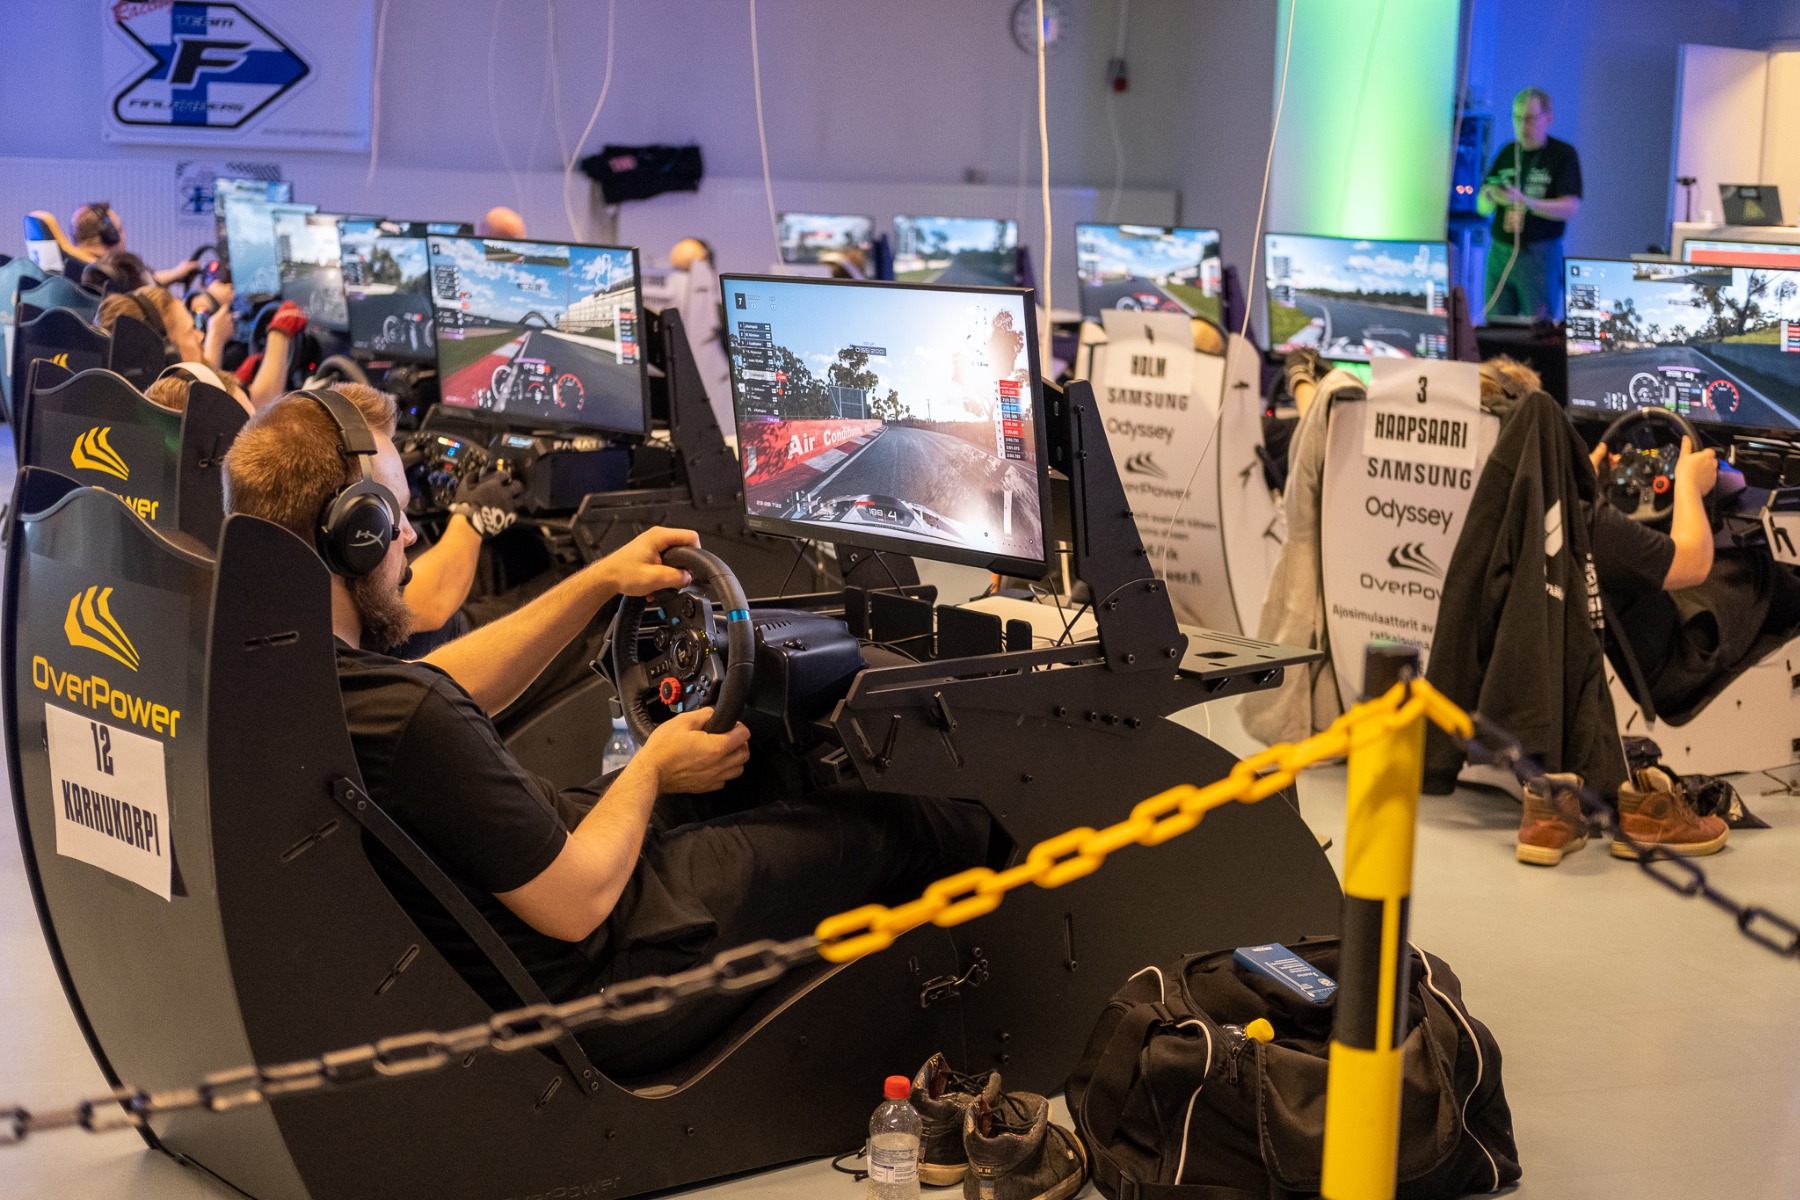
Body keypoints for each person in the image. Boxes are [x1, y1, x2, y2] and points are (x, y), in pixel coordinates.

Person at [221, 386, 992, 1074]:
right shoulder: (410, 718)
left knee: (766, 771)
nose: (410, 539)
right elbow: (578, 902)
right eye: (392, 518)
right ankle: (1006, 1005)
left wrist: (595, 583)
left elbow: (446, 681)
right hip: (602, 977)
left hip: (532, 930)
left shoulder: (285, 676)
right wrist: (652, 769)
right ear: (351, 534)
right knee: (893, 826)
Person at [1477, 88, 1582, 321]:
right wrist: (1491, 196)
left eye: (1530, 119)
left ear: (1548, 118)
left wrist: (1526, 203)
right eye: (1517, 118)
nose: (1522, 126)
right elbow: (1481, 207)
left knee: (1538, 328)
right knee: (1496, 325)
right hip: (1500, 251)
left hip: (1538, 254)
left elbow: (1570, 207)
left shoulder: (1562, 154)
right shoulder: (1507, 152)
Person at [69, 202, 201, 287]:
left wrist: (176, 273)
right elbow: (146, 283)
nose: (124, 233)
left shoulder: (72, 267)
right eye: (120, 229)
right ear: (111, 236)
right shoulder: (114, 273)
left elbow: (150, 278)